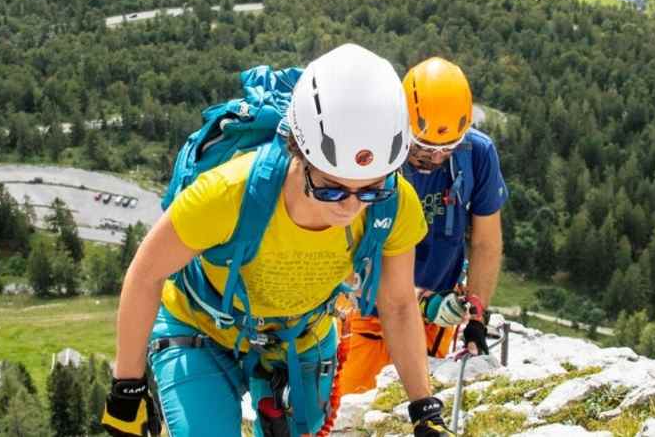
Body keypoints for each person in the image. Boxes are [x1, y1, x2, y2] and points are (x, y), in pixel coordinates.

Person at [100, 44, 451, 437]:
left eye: (370, 190)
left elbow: (399, 304)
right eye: (331, 189)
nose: (351, 208)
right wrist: (127, 388)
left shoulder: (396, 203)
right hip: (200, 328)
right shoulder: (229, 194)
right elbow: (146, 274)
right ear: (297, 153)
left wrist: (425, 407)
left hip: (300, 335)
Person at [336, 56, 508, 396]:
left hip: (434, 318)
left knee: (412, 411)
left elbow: (486, 242)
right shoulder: (372, 156)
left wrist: (476, 314)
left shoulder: (477, 154)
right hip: (365, 312)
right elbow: (345, 249)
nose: (437, 158)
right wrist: (422, 302)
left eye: (448, 148)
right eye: (426, 148)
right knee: (350, 411)